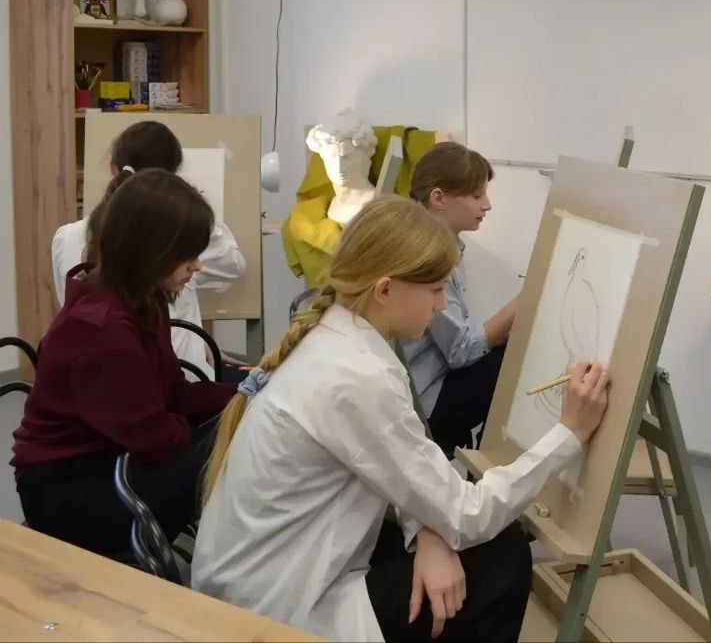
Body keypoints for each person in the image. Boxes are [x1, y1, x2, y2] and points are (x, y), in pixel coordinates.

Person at [192, 196, 608, 643]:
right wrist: (569, 433)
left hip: (267, 578)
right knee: (501, 557)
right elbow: (467, 514)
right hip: (272, 613)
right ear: (385, 290)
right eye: (435, 289)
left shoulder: (336, 334)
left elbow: (398, 467)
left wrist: (428, 532)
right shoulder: (356, 376)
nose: (442, 304)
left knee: (461, 544)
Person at [12, 170, 237, 557]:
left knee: (235, 425)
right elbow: (153, 436)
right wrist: (228, 419)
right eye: (187, 255)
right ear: (149, 251)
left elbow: (174, 393)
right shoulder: (100, 330)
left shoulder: (142, 301)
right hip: (66, 491)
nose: (197, 266)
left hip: (105, 458)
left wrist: (243, 393)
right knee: (230, 445)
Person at [52, 121, 246, 376]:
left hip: (104, 374)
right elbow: (234, 264)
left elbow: (66, 303)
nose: (195, 266)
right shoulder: (166, 236)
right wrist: (191, 212)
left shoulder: (66, 238)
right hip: (165, 377)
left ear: (113, 169)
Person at [400, 142, 519, 455]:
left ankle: (483, 467)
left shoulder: (438, 243)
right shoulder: (425, 254)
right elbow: (460, 349)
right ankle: (486, 471)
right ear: (439, 198)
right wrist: (521, 304)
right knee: (514, 364)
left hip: (428, 385)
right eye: (477, 196)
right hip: (424, 404)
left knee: (508, 348)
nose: (487, 205)